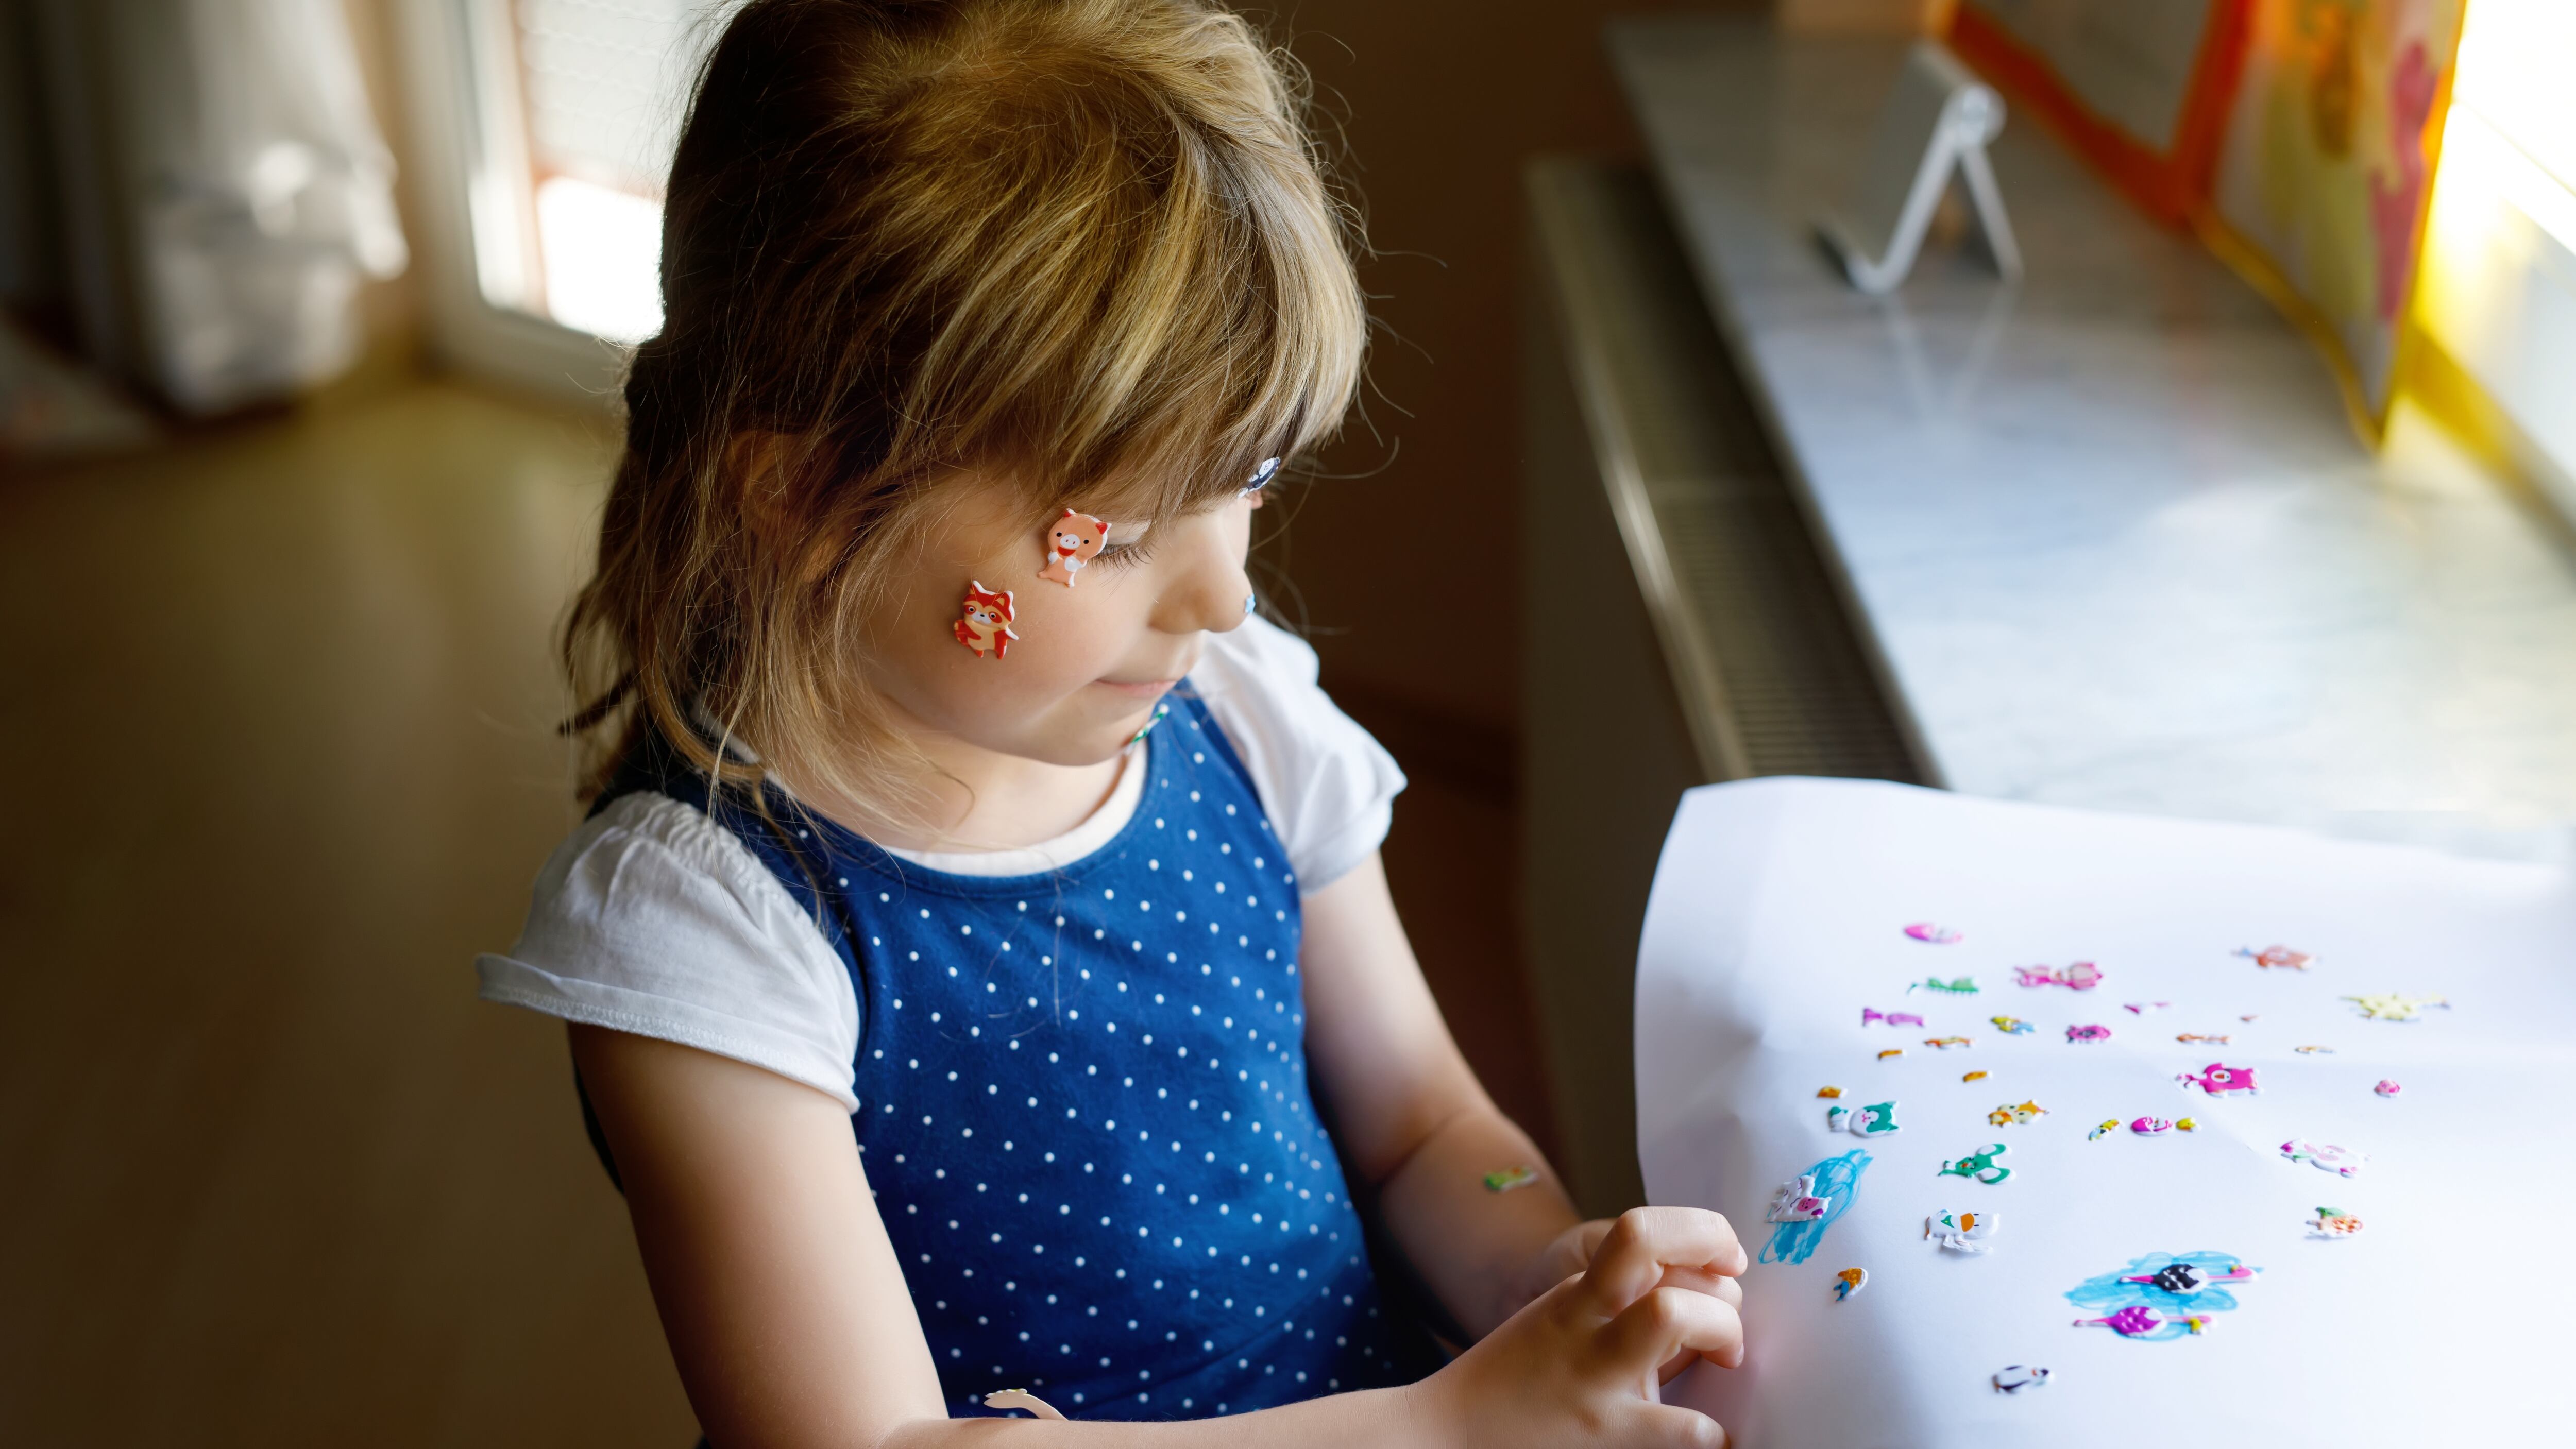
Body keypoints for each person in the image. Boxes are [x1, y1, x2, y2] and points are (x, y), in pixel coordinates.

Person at [474, 2, 1745, 1443]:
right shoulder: (709, 930)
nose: (1223, 592)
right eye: (1122, 532)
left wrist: (1541, 1264)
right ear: (810, 503)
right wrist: (1447, 1430)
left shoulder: (1244, 715)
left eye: (1249, 476)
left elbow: (1430, 1133)